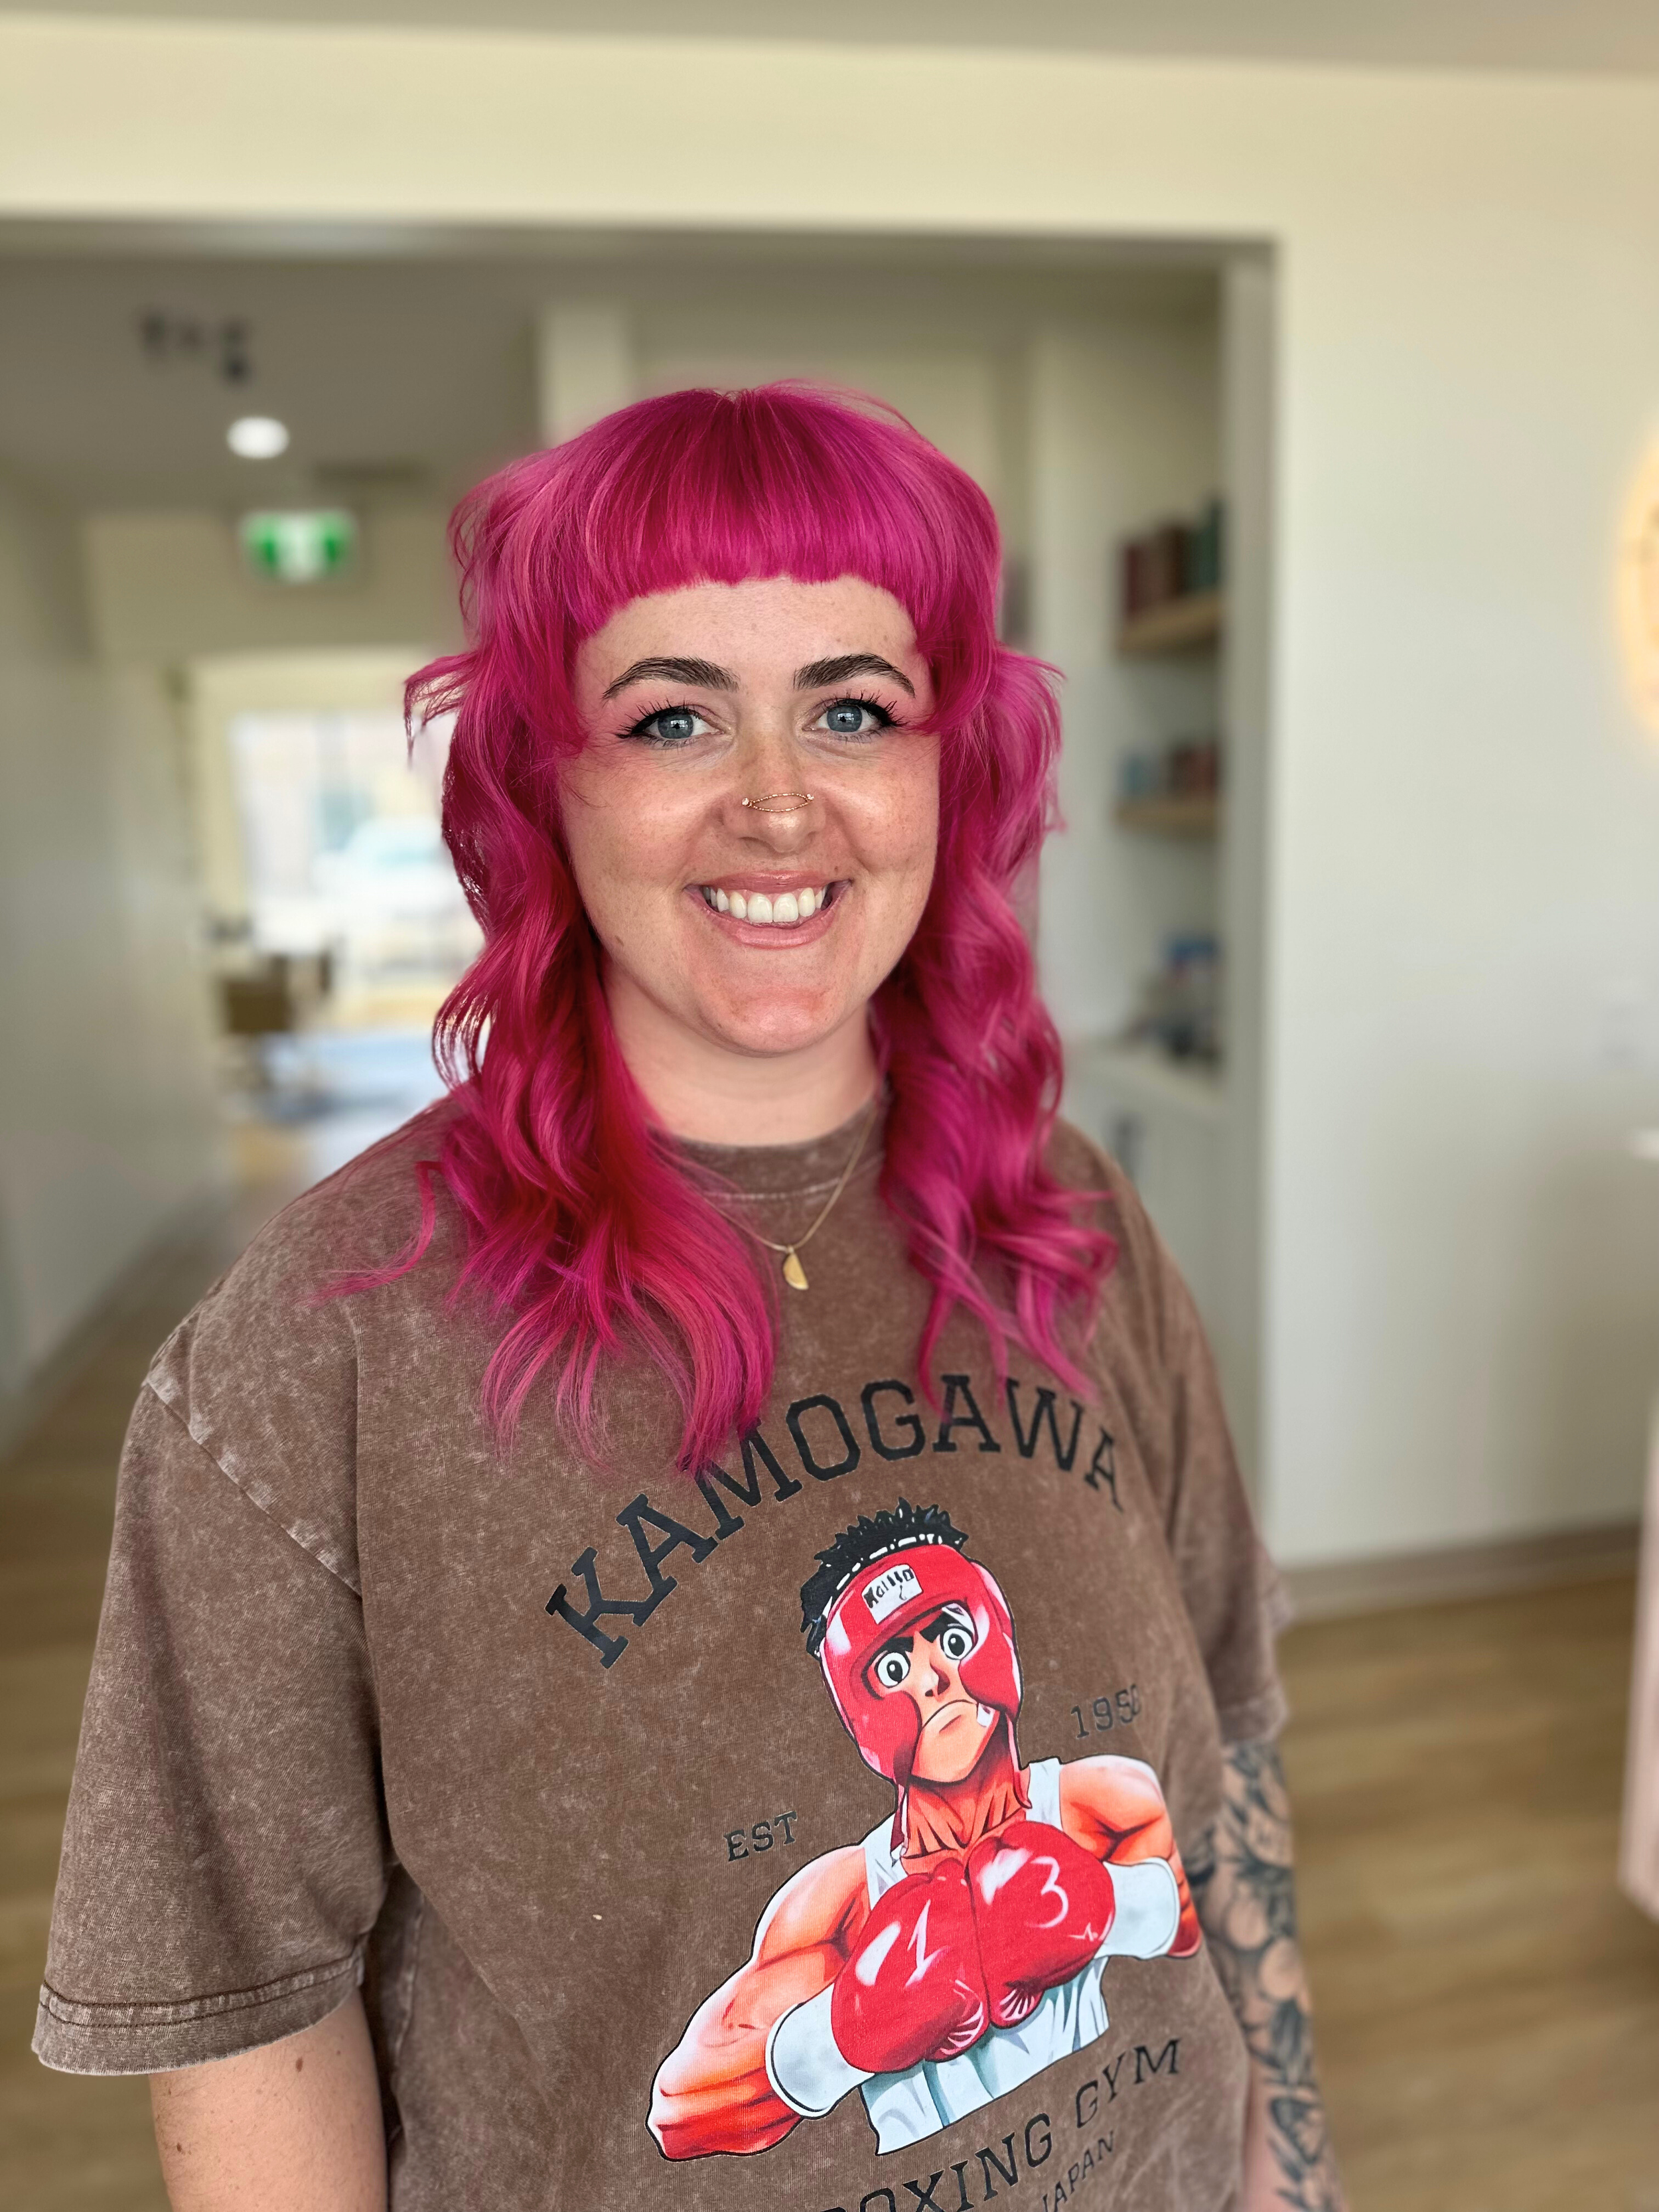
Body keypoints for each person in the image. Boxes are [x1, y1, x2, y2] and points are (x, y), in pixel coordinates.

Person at [35, 384, 1344, 2212]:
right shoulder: (323, 1341)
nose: (780, 803)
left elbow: (1225, 1739)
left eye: (855, 708)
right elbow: (248, 2005)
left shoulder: (1068, 1219)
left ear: (944, 767)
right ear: (541, 782)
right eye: (670, 715)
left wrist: (1291, 2169)